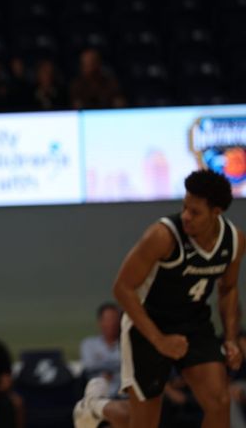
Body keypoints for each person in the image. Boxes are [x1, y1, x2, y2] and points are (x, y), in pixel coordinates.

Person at [107, 170, 244, 427]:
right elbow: (122, 288)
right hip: (147, 326)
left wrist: (230, 338)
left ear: (216, 212)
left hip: (194, 324)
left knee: (219, 403)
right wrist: (160, 340)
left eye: (195, 212)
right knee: (142, 423)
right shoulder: (162, 236)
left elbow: (228, 289)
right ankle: (98, 407)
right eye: (184, 208)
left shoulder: (234, 241)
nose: (186, 217)